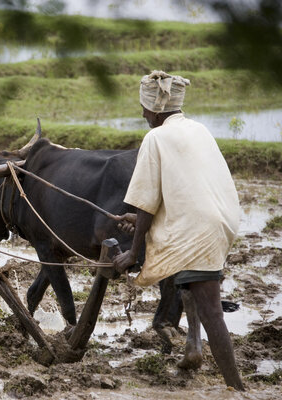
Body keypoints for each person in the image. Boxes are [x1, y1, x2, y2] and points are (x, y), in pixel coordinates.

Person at [113, 70, 245, 391]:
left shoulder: (155, 138)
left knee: (212, 312)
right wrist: (141, 219)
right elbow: (181, 191)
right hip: (221, 221)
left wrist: (133, 252)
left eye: (145, 108)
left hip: (197, 231)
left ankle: (237, 389)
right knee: (196, 294)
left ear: (156, 110)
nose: (143, 113)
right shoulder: (199, 130)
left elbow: (145, 202)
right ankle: (194, 348)